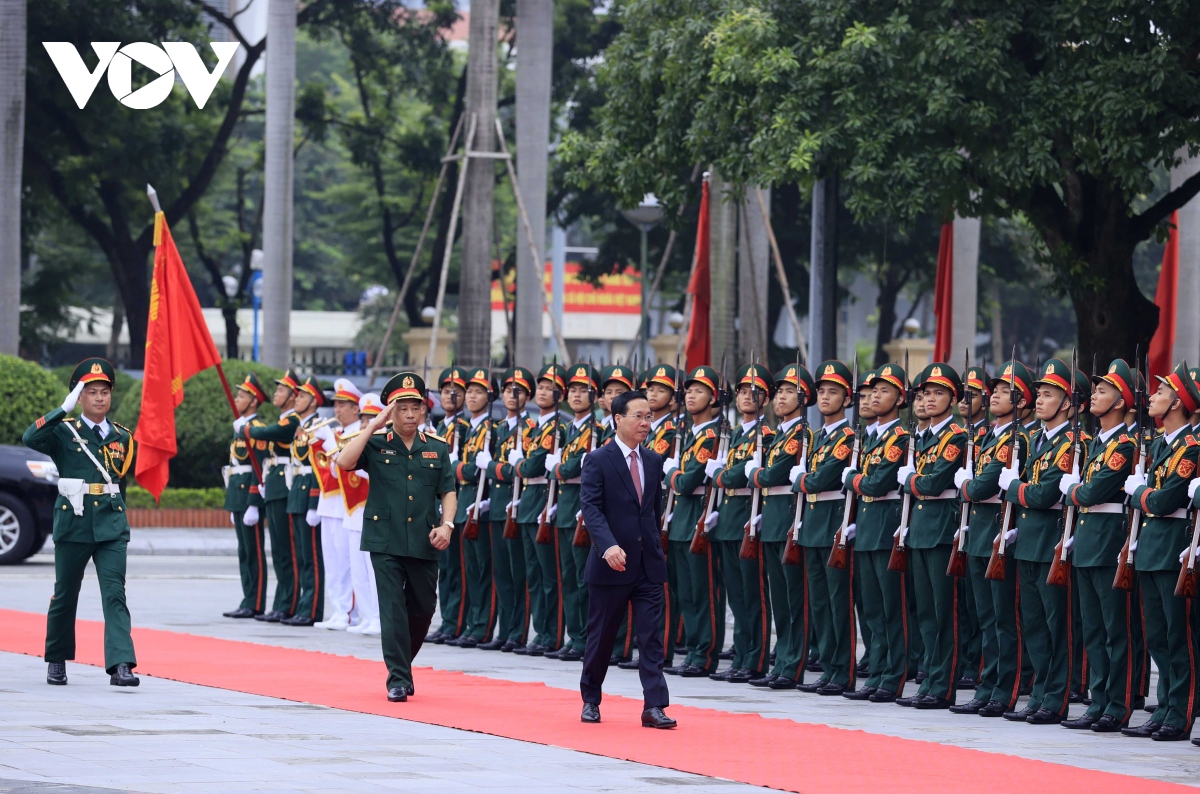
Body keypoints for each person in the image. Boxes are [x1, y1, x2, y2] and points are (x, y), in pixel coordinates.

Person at [336, 372, 456, 702]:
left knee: (423, 608)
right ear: (391, 411)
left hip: (424, 538)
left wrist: (447, 525)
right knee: (392, 610)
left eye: (414, 408)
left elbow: (448, 491)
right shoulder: (374, 443)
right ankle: (398, 679)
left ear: (422, 411)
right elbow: (343, 462)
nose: (409, 414)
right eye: (401, 408)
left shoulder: (436, 448)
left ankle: (403, 664)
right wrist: (371, 427)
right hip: (384, 539)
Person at [24, 357, 139, 687]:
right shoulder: (63, 432)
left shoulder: (122, 437)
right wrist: (62, 409)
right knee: (65, 594)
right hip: (74, 522)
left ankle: (121, 665)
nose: (100, 398)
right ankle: (57, 658)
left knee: (115, 594)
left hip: (110, 526)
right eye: (91, 392)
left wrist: (122, 519)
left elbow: (120, 485)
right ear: (80, 396)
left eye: (105, 391)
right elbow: (30, 437)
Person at [579, 389, 675, 728]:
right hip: (611, 563)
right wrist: (607, 546)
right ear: (617, 418)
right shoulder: (597, 460)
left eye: (649, 416)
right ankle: (591, 698)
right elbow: (590, 508)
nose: (646, 423)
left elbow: (652, 510)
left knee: (651, 637)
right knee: (602, 636)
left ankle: (654, 706)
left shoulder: (652, 460)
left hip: (648, 564)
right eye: (639, 416)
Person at [998, 358, 1085, 724]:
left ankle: (1057, 697)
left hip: (1052, 544)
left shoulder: (1073, 444)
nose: (1039, 401)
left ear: (1067, 403)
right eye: (1039, 394)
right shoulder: (1034, 440)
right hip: (1029, 542)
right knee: (1033, 623)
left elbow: (1043, 494)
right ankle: (1039, 694)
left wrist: (1014, 487)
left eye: (1048, 395)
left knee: (1056, 625)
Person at [1058, 359, 1138, 731]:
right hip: (1089, 541)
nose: (1094, 396)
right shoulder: (1096, 444)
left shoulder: (1125, 445)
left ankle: (1117, 704)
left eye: (1103, 391)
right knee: (1092, 629)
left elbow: (1091, 491)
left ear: (1121, 402)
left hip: (1108, 544)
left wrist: (1071, 490)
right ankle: (1098, 700)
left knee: (1114, 630)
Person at [1123, 364, 1200, 741]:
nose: (1152, 396)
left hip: (1174, 552)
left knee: (1178, 636)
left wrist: (1137, 492)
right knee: (1156, 635)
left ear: (1177, 403)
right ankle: (1165, 706)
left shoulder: (1191, 449)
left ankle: (1181, 713)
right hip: (1151, 550)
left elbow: (1166, 501)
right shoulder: (1158, 446)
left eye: (1162, 391)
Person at [954, 360, 1033, 717]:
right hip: (980, 533)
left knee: (1004, 620)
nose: (995, 395)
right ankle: (987, 687)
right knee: (985, 618)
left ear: (1021, 401)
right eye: (996, 390)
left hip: (999, 535)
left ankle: (1006, 689)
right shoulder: (989, 436)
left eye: (1005, 392)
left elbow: (982, 486)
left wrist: (964, 485)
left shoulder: (1014, 441)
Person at [896, 363, 967, 709]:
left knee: (944, 613)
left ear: (953, 398)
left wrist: (908, 481)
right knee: (924, 612)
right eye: (925, 394)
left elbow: (932, 483)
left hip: (941, 532)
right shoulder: (920, 438)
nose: (929, 399)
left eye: (939, 393)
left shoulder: (957, 437)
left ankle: (944, 684)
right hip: (920, 531)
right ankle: (930, 679)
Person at [843, 362, 910, 702]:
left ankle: (893, 676)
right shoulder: (873, 439)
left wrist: (852, 478)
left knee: (890, 609)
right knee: (871, 608)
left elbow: (876, 482)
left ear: (900, 399)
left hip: (886, 529)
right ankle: (877, 672)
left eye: (884, 391)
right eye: (872, 392)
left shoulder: (899, 438)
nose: (875, 397)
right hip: (869, 528)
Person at [748, 363, 815, 689]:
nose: (780, 399)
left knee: (794, 599)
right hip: (773, 520)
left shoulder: (800, 435)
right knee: (780, 599)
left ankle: (793, 665)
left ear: (803, 399)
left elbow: (771, 476)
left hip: (789, 520)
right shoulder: (780, 436)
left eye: (789, 393)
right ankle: (783, 661)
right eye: (779, 393)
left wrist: (754, 474)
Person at [794, 360, 857, 695]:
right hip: (813, 525)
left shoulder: (847, 438)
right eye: (822, 391)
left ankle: (843, 671)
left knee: (837, 601)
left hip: (833, 522)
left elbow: (822, 478)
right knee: (818, 602)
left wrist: (801, 480)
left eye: (834, 392)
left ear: (847, 399)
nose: (825, 397)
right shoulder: (816, 437)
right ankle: (829, 667)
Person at [662, 366, 724, 677]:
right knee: (685, 592)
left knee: (704, 592)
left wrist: (670, 472)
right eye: (689, 390)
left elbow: (686, 483)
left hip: (698, 520)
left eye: (699, 391)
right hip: (681, 521)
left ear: (714, 399)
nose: (691, 395)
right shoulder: (691, 436)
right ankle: (693, 652)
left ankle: (705, 654)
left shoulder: (712, 437)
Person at [512, 363, 568, 655]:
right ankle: (541, 632)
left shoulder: (556, 429)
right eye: (542, 387)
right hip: (530, 502)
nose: (544, 392)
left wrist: (518, 464)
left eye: (550, 388)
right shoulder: (536, 427)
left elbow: (532, 466)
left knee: (550, 577)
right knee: (534, 576)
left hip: (544, 501)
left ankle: (552, 634)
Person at [549, 363, 602, 662]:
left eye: (584, 390)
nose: (577, 395)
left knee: (585, 580)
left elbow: (575, 468)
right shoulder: (569, 429)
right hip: (565, 508)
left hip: (584, 510)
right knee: (568, 578)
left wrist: (558, 468)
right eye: (573, 390)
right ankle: (575, 635)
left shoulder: (596, 430)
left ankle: (586, 638)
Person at [483, 367, 536, 650]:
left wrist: (492, 467)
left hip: (516, 505)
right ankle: (504, 630)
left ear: (528, 396)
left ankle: (518, 632)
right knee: (501, 573)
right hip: (496, 505)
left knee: (519, 573)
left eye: (518, 391)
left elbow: (521, 469)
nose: (511, 396)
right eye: (507, 390)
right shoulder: (498, 428)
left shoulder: (529, 430)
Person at [248, 368, 303, 622]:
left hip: (284, 485)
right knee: (279, 550)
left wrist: (247, 430)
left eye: (281, 390)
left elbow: (263, 433)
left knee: (287, 549)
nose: (276, 393)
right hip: (274, 484)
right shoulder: (283, 419)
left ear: (293, 397)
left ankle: (288, 603)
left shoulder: (291, 421)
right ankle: (281, 601)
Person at [449, 368, 498, 648]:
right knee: (469, 570)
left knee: (482, 572)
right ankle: (471, 624)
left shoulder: (490, 429)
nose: (471, 397)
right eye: (469, 392)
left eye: (478, 392)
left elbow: (478, 471)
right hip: (466, 504)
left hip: (481, 507)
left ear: (489, 396)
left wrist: (459, 468)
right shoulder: (470, 429)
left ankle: (482, 627)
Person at [310, 378, 363, 630]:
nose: (337, 409)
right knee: (331, 561)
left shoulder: (358, 434)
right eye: (336, 404)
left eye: (343, 405)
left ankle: (348, 612)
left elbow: (346, 465)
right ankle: (338, 609)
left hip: (348, 506)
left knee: (346, 561)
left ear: (356, 408)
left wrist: (330, 441)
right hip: (329, 503)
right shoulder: (337, 433)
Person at [223, 371, 269, 619]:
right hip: (237, 495)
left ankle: (256, 602)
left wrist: (253, 503)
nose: (236, 399)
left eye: (241, 396)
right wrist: (234, 504)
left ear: (253, 401)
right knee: (244, 551)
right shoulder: (239, 428)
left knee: (254, 552)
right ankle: (247, 599)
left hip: (249, 497)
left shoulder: (257, 429)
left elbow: (258, 468)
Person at [336, 393, 382, 636]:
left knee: (374, 570)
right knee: (358, 570)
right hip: (356, 514)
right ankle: (367, 615)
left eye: (370, 419)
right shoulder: (360, 443)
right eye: (363, 420)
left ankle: (378, 615)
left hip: (375, 514)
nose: (365, 425)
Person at [430, 366, 470, 643]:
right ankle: (447, 621)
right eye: (445, 391)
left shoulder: (464, 428)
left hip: (459, 503)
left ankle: (459, 623)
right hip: (439, 505)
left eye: (456, 392)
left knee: (460, 570)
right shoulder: (440, 427)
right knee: (445, 570)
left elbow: (467, 471)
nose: (449, 396)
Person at [285, 375, 327, 627]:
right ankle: (304, 605)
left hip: (308, 493)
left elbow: (318, 467)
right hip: (296, 492)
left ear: (313, 401)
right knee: (301, 556)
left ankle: (312, 609)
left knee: (311, 557)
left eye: (301, 396)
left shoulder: (318, 427)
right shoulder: (302, 426)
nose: (296, 399)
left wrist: (314, 503)